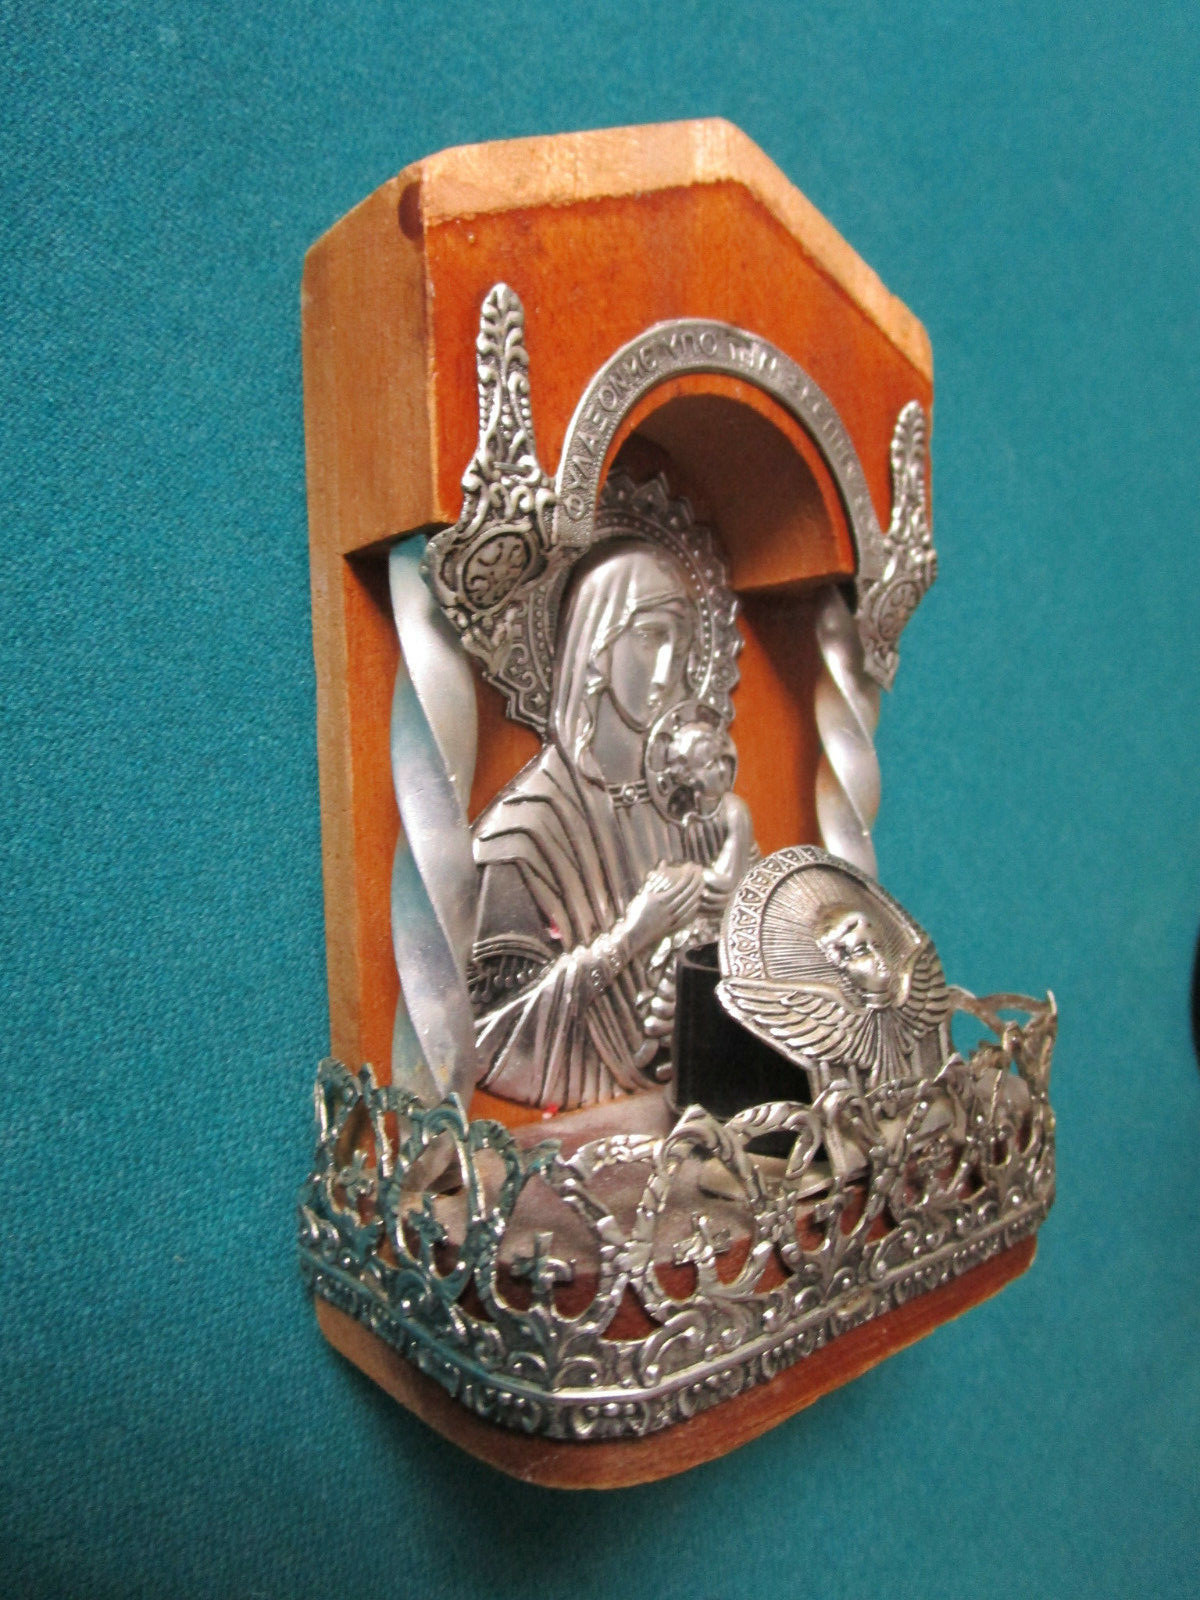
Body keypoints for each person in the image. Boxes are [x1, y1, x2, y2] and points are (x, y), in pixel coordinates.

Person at [467, 537, 753, 1108]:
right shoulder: (524, 833)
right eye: (648, 637)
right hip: (577, 1114)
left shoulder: (702, 808)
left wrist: (736, 886)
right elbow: (487, 1038)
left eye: (681, 644)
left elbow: (766, 956)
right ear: (596, 645)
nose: (668, 670)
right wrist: (631, 937)